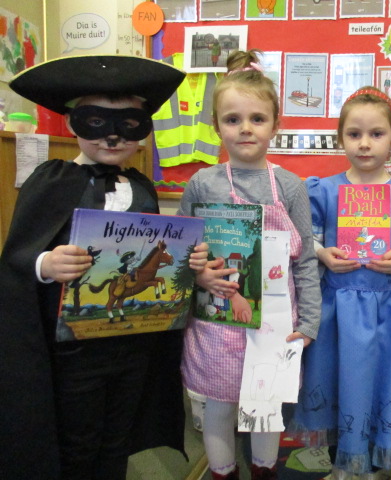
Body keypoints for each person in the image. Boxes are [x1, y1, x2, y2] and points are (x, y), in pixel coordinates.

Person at [0, 55, 209, 480]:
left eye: (128, 124)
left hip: (133, 347)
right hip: (74, 353)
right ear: (73, 123)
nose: (113, 136)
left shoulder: (143, 188)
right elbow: (17, 255)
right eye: (96, 122)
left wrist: (190, 261)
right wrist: (45, 263)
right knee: (77, 439)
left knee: (119, 437)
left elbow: (159, 255)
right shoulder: (51, 180)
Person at [177, 49, 321, 480]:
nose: (245, 128)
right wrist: (198, 271)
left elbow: (306, 259)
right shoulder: (202, 183)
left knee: (266, 405)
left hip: (275, 323)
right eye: (232, 119)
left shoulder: (291, 187)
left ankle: (263, 471)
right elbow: (182, 252)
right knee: (219, 405)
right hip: (216, 321)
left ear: (276, 124)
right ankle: (222, 472)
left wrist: (309, 322)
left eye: (257, 119)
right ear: (215, 125)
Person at [290, 87, 391, 479]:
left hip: (388, 308)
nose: (365, 143)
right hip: (337, 309)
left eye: (376, 134)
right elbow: (307, 238)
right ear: (341, 138)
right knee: (340, 380)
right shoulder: (323, 191)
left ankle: (376, 466)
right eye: (354, 134)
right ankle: (342, 464)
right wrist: (322, 254)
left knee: (383, 382)